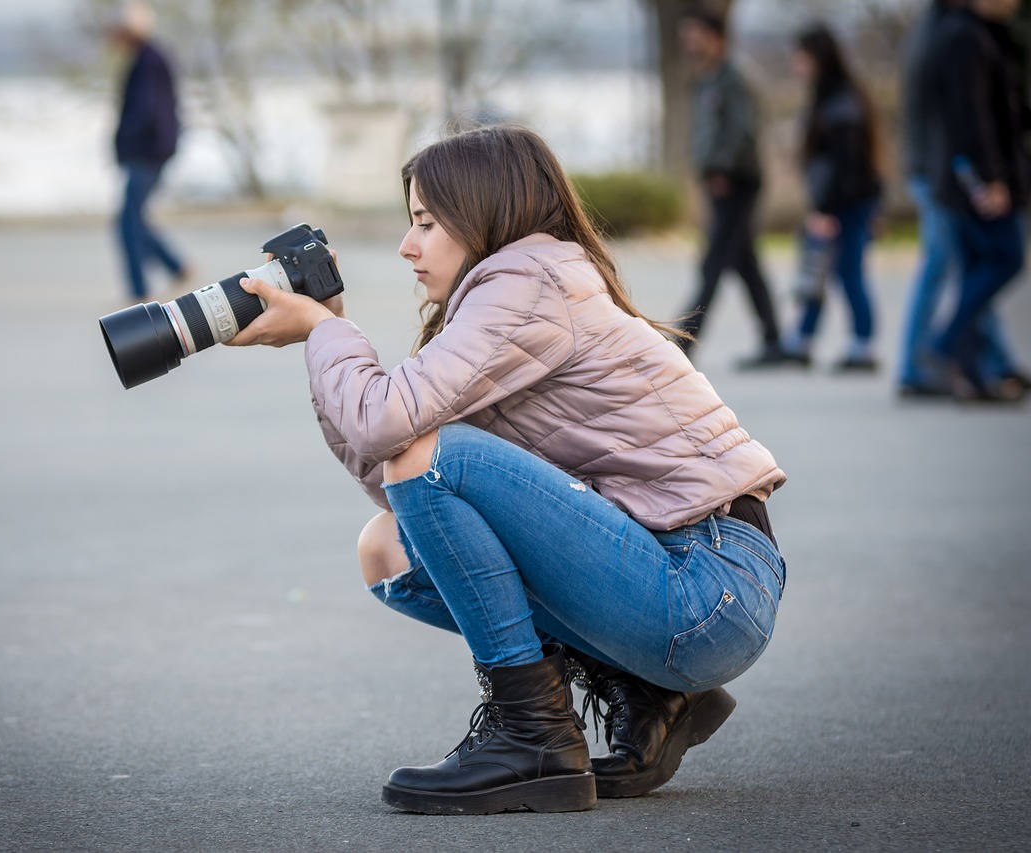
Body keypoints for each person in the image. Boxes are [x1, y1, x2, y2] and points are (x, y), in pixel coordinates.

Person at [227, 125, 787, 814]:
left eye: (426, 223)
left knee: (425, 457)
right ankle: (645, 690)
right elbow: (402, 481)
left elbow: (399, 440)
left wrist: (324, 333)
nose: (408, 245)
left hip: (706, 584)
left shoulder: (528, 282)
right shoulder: (513, 295)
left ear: (485, 213)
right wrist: (329, 330)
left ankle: (532, 737)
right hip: (685, 583)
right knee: (387, 547)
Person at [898, 0, 1026, 399]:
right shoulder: (958, 34)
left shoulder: (954, 30)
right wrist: (988, 178)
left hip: (947, 173)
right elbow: (968, 116)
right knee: (999, 258)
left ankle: (977, 373)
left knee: (969, 267)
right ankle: (933, 352)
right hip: (955, 175)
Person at [676, 8, 784, 368]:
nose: (688, 41)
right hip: (719, 181)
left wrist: (721, 169)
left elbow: (742, 130)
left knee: (714, 261)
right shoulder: (707, 78)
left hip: (735, 182)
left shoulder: (731, 78)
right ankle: (774, 340)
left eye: (695, 34)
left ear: (716, 38)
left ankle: (683, 341)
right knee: (744, 262)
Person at [779, 24, 884, 372]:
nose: (796, 65)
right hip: (835, 202)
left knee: (846, 272)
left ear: (818, 59)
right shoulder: (830, 95)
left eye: (802, 58)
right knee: (816, 270)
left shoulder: (841, 101)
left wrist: (826, 210)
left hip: (846, 204)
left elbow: (847, 165)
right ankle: (803, 339)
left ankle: (862, 347)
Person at [107, 2, 188, 301]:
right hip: (152, 149)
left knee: (128, 221)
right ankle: (178, 267)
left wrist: (126, 140)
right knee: (134, 218)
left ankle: (138, 290)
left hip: (148, 151)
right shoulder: (146, 57)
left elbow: (146, 111)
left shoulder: (148, 60)